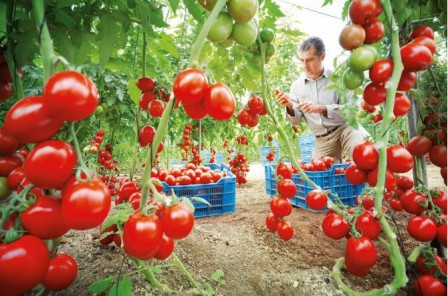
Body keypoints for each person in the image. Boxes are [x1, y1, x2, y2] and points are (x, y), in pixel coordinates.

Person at [274, 36, 368, 163]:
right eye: (301, 61)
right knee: (321, 174)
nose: (305, 65)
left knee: (364, 154)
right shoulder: (297, 87)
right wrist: (289, 106)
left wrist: (322, 108)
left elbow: (351, 110)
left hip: (346, 129)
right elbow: (295, 121)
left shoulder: (339, 79)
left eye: (310, 60)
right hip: (322, 140)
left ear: (322, 57)